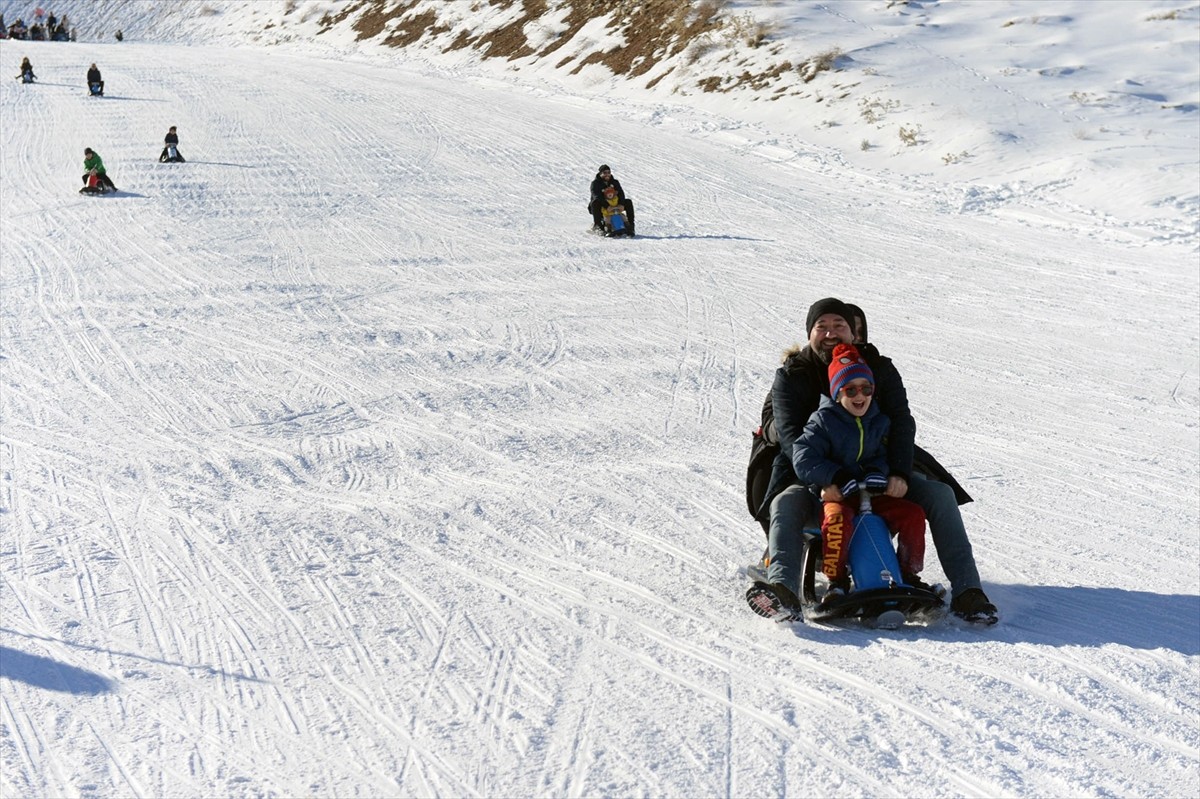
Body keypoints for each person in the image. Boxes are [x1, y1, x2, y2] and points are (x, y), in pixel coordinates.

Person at [755, 297, 998, 624]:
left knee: (938, 494)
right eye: (821, 327)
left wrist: (898, 471)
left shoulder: (878, 368)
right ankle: (782, 589)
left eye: (838, 325)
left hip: (877, 468)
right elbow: (790, 436)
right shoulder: (793, 374)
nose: (830, 333)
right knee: (786, 503)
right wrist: (825, 481)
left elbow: (900, 421)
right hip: (813, 471)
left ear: (853, 331)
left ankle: (969, 592)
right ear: (809, 332)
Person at [791, 343, 928, 604]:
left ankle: (908, 574)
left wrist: (880, 472)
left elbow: (884, 454)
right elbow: (803, 456)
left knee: (912, 514)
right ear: (836, 393)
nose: (859, 396)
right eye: (850, 389)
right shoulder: (823, 421)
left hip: (872, 494)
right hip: (839, 494)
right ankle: (837, 581)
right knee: (837, 520)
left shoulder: (879, 420)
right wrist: (834, 476)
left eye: (866, 389)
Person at [588, 164, 635, 236]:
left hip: (614, 203)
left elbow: (621, 193)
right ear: (600, 174)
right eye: (605, 173)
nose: (607, 174)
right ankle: (598, 227)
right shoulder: (595, 183)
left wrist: (621, 204)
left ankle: (630, 227)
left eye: (608, 172)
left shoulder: (615, 182)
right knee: (595, 202)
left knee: (628, 202)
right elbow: (597, 196)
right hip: (602, 205)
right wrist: (607, 206)